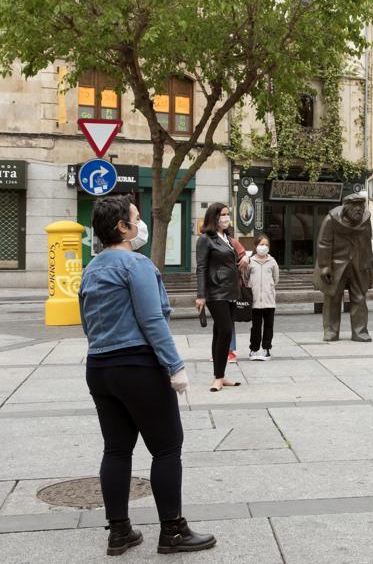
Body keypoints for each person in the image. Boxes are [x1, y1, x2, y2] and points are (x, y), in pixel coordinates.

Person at [79, 195, 215, 556]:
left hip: (99, 367)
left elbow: (87, 323)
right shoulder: (135, 264)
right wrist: (175, 366)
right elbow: (151, 319)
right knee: (167, 448)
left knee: (117, 450)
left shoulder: (91, 268)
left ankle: (119, 531)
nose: (140, 224)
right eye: (136, 218)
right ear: (122, 227)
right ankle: (173, 530)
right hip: (138, 365)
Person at [312, 191, 373, 342]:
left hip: (358, 264)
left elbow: (367, 242)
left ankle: (360, 331)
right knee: (333, 299)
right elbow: (324, 243)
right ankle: (331, 331)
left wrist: (369, 263)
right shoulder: (331, 220)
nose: (358, 209)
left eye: (361, 205)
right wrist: (325, 266)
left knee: (359, 297)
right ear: (346, 207)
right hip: (336, 265)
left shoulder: (366, 221)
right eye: (354, 206)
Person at [195, 202, 242, 392]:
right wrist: (201, 295)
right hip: (215, 291)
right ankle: (218, 378)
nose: (226, 217)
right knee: (225, 331)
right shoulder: (206, 239)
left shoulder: (227, 238)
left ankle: (219, 375)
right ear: (214, 217)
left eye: (228, 214)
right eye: (223, 214)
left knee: (219, 332)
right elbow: (201, 268)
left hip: (230, 290)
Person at [245, 234, 280, 360]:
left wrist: (269, 288)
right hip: (254, 302)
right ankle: (254, 349)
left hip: (269, 301)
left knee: (268, 326)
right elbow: (246, 277)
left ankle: (266, 349)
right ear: (255, 246)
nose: (263, 247)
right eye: (261, 244)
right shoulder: (250, 262)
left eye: (266, 245)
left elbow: (276, 279)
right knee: (256, 326)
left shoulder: (272, 262)